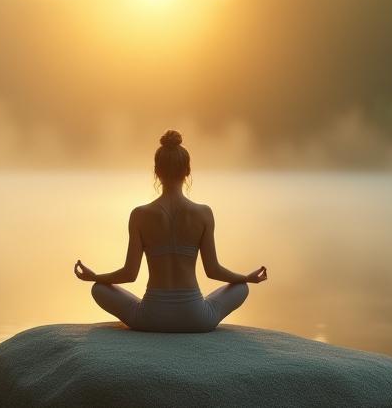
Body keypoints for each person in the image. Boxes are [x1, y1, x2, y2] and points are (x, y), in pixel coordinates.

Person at [74, 130, 267, 333]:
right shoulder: (203, 213)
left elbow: (130, 274)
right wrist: (247, 277)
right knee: (241, 287)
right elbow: (213, 270)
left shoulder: (139, 215)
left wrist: (95, 277)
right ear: (187, 171)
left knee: (98, 289)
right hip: (196, 318)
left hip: (150, 318)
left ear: (156, 171)